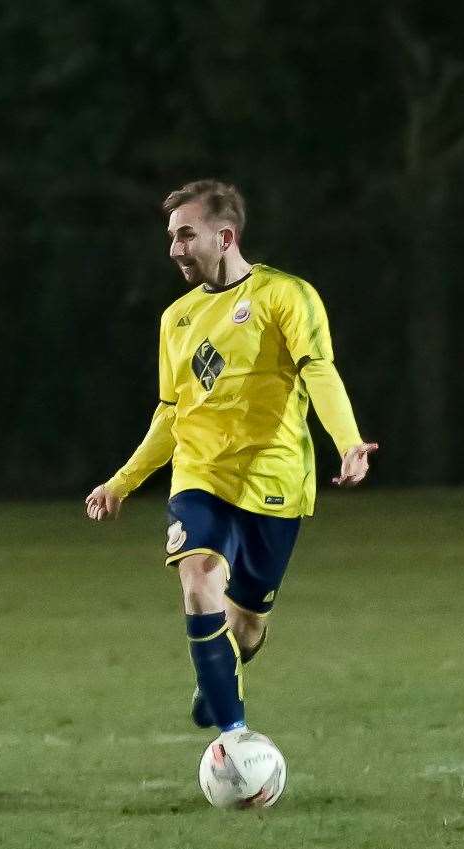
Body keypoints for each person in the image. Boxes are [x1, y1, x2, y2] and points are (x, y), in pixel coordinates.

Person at [85, 179, 377, 734]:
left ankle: (221, 671)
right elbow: (171, 411)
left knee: (245, 630)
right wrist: (121, 483)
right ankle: (235, 738)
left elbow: (318, 369)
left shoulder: (286, 296)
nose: (173, 248)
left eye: (184, 235)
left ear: (225, 236)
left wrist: (348, 441)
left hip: (275, 476)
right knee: (198, 580)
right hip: (200, 475)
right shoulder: (176, 319)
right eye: (171, 236)